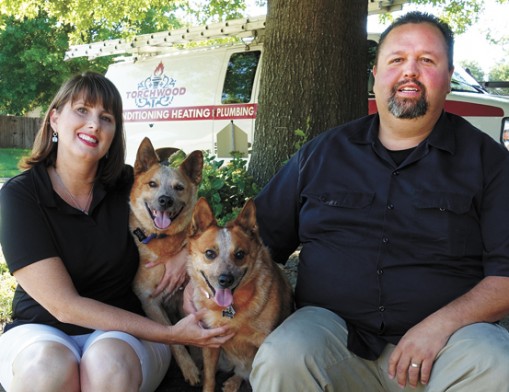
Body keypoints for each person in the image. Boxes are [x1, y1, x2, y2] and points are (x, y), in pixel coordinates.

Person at [250, 11, 509, 391]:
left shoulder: (489, 162)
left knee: (499, 364)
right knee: (282, 357)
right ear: (375, 73)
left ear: (449, 76)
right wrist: (193, 277)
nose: (410, 71)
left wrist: (439, 326)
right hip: (334, 339)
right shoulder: (321, 154)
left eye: (427, 60)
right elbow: (252, 239)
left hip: (449, 347)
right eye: (397, 59)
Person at [0, 72, 232, 392]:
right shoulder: (21, 195)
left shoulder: (130, 183)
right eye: (82, 110)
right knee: (45, 370)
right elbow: (62, 305)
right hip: (41, 328)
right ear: (54, 118)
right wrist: (170, 334)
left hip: (127, 330)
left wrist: (182, 255)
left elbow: (190, 219)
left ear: (113, 132)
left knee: (109, 367)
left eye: (105, 117)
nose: (94, 123)